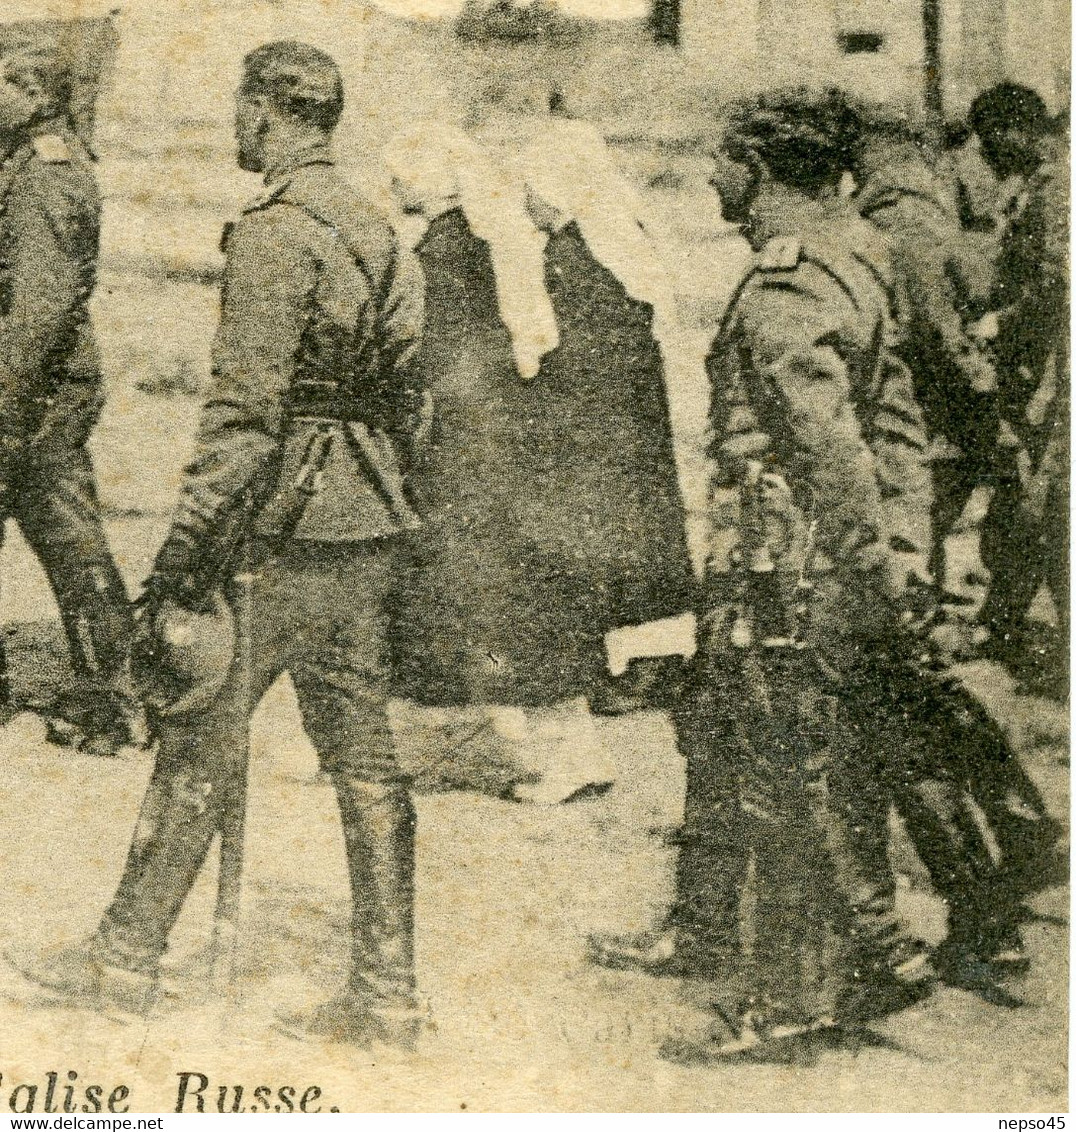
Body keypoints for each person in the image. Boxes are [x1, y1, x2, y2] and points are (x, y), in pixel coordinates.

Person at [6, 41, 428, 1051]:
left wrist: (179, 558)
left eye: (240, 111)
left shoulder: (277, 233)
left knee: (197, 736)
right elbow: (412, 386)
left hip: (273, 532)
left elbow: (241, 417)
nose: (235, 130)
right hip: (365, 520)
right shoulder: (376, 227)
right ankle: (387, 992)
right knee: (366, 760)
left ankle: (124, 958)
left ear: (269, 115)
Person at [384, 120, 694, 801]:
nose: (522, 198)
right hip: (589, 464)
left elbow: (568, 378)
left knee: (541, 609)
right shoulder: (604, 252)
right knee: (549, 613)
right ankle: (559, 744)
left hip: (567, 469)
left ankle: (570, 754)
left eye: (533, 184)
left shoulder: (573, 262)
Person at [851, 105, 1063, 911]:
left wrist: (996, 434)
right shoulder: (912, 219)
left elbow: (940, 347)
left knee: (897, 673)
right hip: (921, 466)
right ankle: (1013, 843)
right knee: (907, 669)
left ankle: (996, 873)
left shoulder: (899, 226)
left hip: (905, 474)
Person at [0, 44, 144, 752]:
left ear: (30, 89)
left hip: (36, 394)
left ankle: (114, 699)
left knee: (68, 540)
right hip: (30, 385)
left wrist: (4, 403)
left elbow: (39, 310)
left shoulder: (46, 177)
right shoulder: (27, 161)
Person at [967, 82, 1069, 684]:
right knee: (1025, 503)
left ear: (1013, 130)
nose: (986, 155)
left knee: (1046, 507)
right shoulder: (1038, 186)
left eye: (990, 141)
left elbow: (1058, 287)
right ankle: (1005, 621)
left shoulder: (1057, 191)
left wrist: (998, 320)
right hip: (1036, 372)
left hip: (1053, 376)